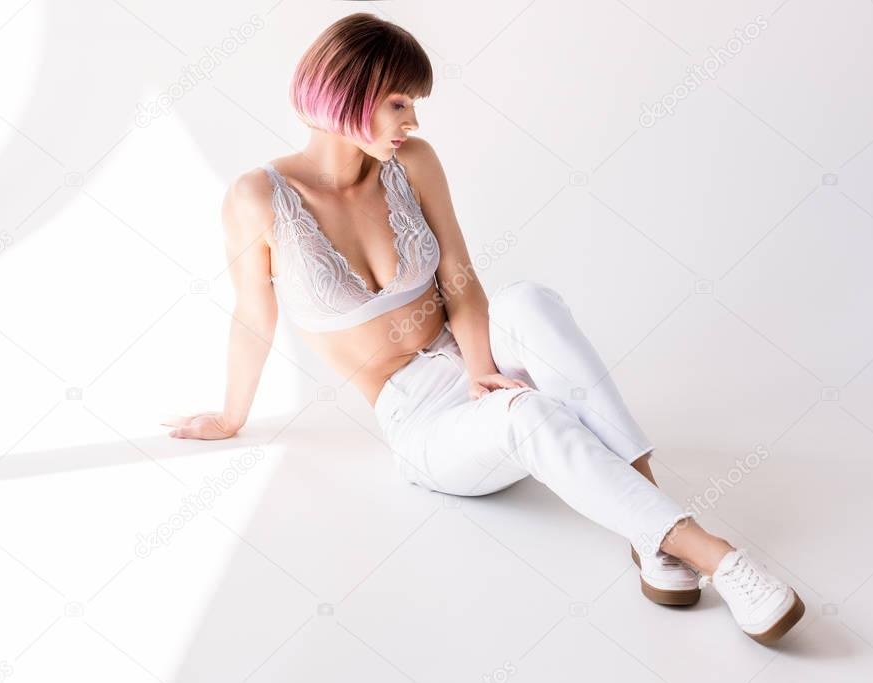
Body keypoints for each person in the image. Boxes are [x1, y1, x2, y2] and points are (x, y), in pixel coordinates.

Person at [162, 12, 804, 644]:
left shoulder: (411, 162)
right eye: (398, 103)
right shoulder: (258, 197)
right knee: (524, 415)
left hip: (473, 352)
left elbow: (461, 279)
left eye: (412, 104)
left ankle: (649, 526)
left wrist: (479, 371)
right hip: (420, 417)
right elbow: (253, 315)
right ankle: (720, 558)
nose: (412, 121)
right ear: (347, 96)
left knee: (527, 300)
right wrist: (229, 416)